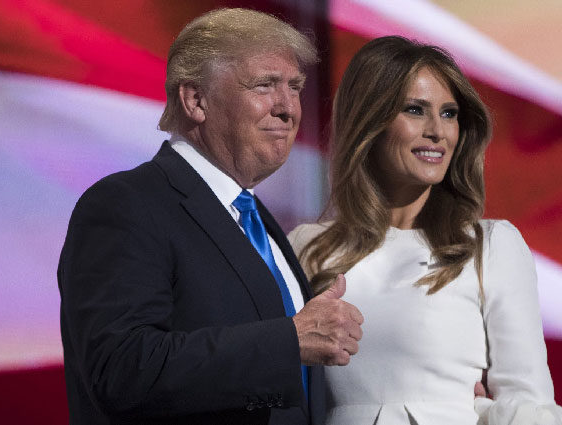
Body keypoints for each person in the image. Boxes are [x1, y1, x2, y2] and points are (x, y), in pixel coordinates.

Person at [57, 8, 363, 425]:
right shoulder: (124, 205)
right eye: (265, 85)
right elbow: (123, 370)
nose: (288, 108)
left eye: (295, 87)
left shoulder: (257, 220)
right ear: (195, 99)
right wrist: (288, 342)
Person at [288, 36, 562, 424]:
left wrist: (482, 412)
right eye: (415, 110)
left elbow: (530, 407)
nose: (437, 132)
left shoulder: (490, 246)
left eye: (449, 113)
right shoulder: (306, 247)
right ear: (368, 122)